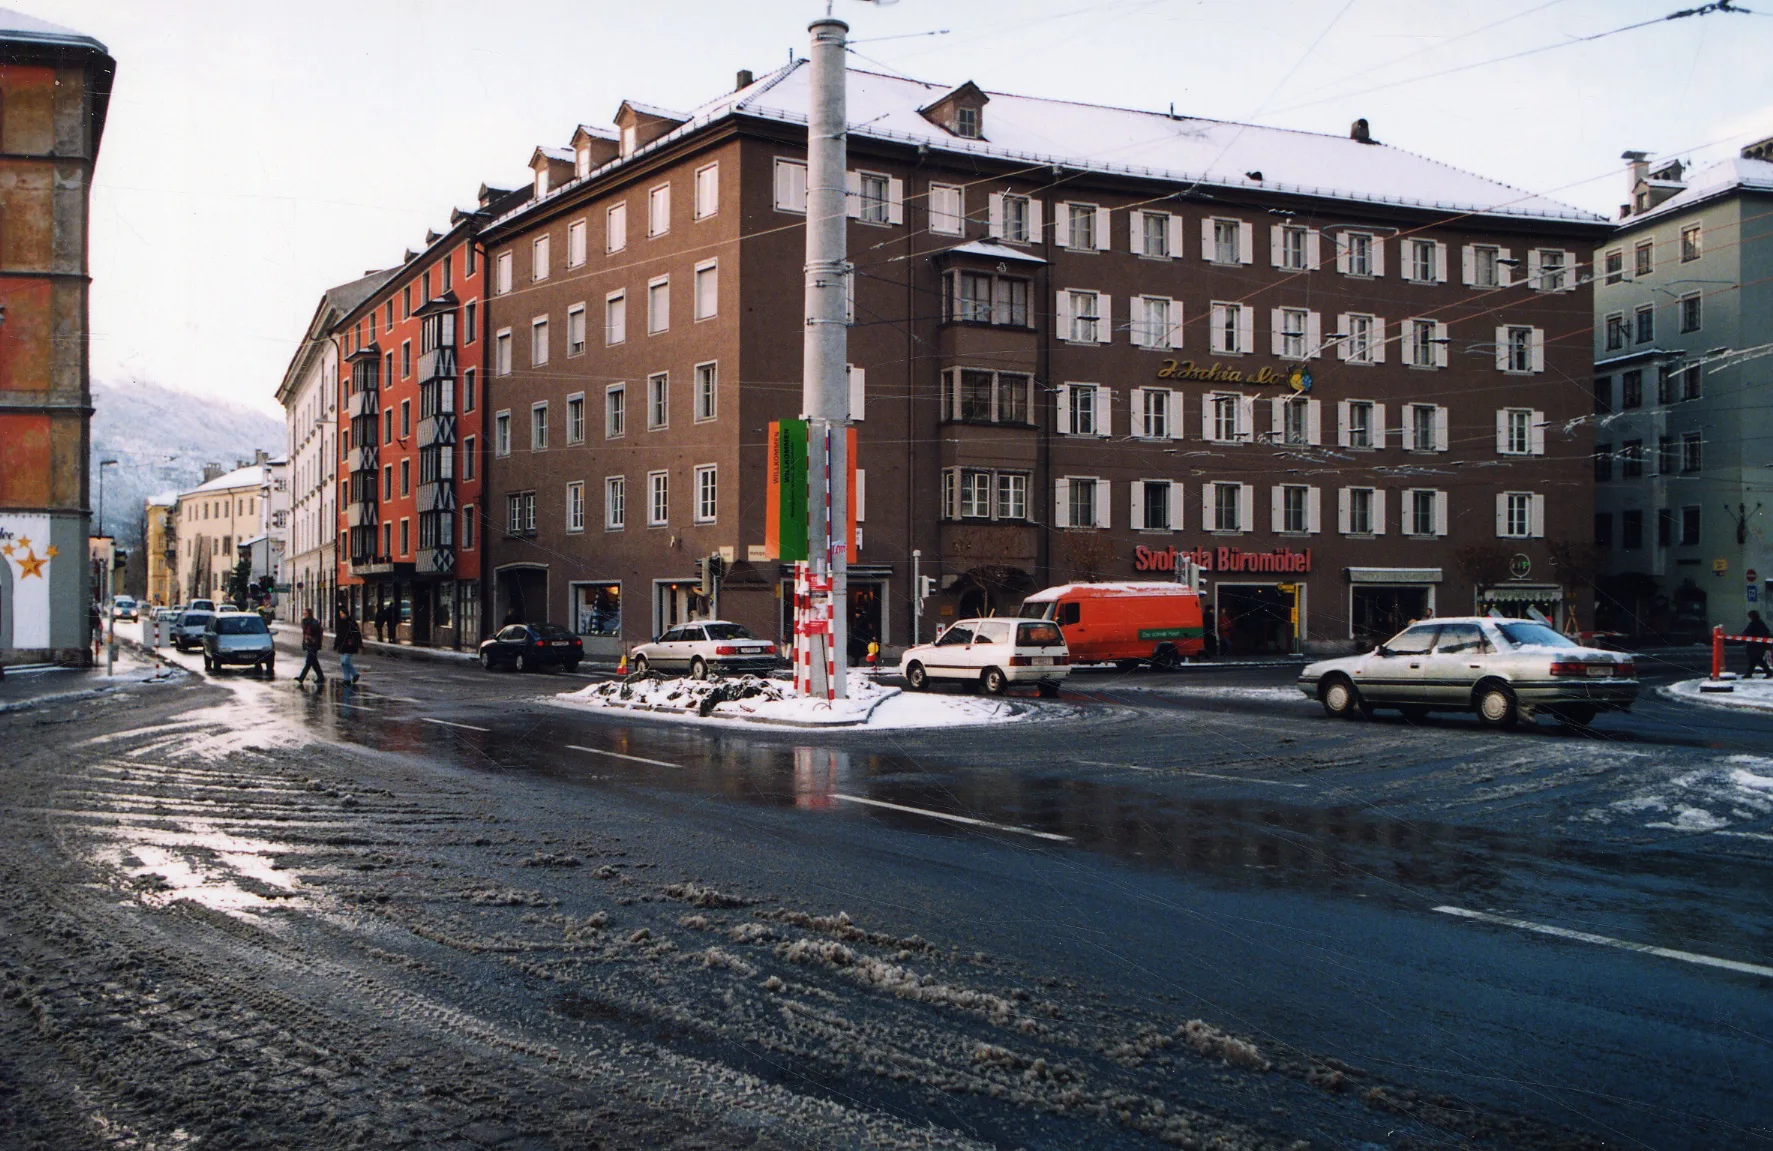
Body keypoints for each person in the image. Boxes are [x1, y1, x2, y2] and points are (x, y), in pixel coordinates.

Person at [295, 607, 325, 686]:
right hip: (308, 644)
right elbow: (305, 634)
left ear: (309, 614)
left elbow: (319, 634)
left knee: (309, 662)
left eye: (305, 613)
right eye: (303, 613)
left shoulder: (314, 623)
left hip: (313, 645)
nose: (304, 615)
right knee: (314, 662)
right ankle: (321, 677)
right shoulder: (304, 622)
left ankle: (301, 678)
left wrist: (317, 643)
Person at [334, 607, 362, 683]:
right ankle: (347, 679)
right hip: (342, 646)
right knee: (343, 663)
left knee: (345, 661)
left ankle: (355, 674)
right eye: (340, 614)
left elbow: (357, 634)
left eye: (342, 614)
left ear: (346, 614)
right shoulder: (340, 623)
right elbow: (338, 635)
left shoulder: (352, 622)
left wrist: (358, 643)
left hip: (350, 646)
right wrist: (336, 644)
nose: (341, 615)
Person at [1744, 610, 1772, 679]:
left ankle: (1768, 672)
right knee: (1753, 660)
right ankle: (1749, 673)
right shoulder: (1760, 623)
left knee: (1757, 659)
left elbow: (1747, 632)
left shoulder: (1754, 624)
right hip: (1757, 645)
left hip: (1755, 646)